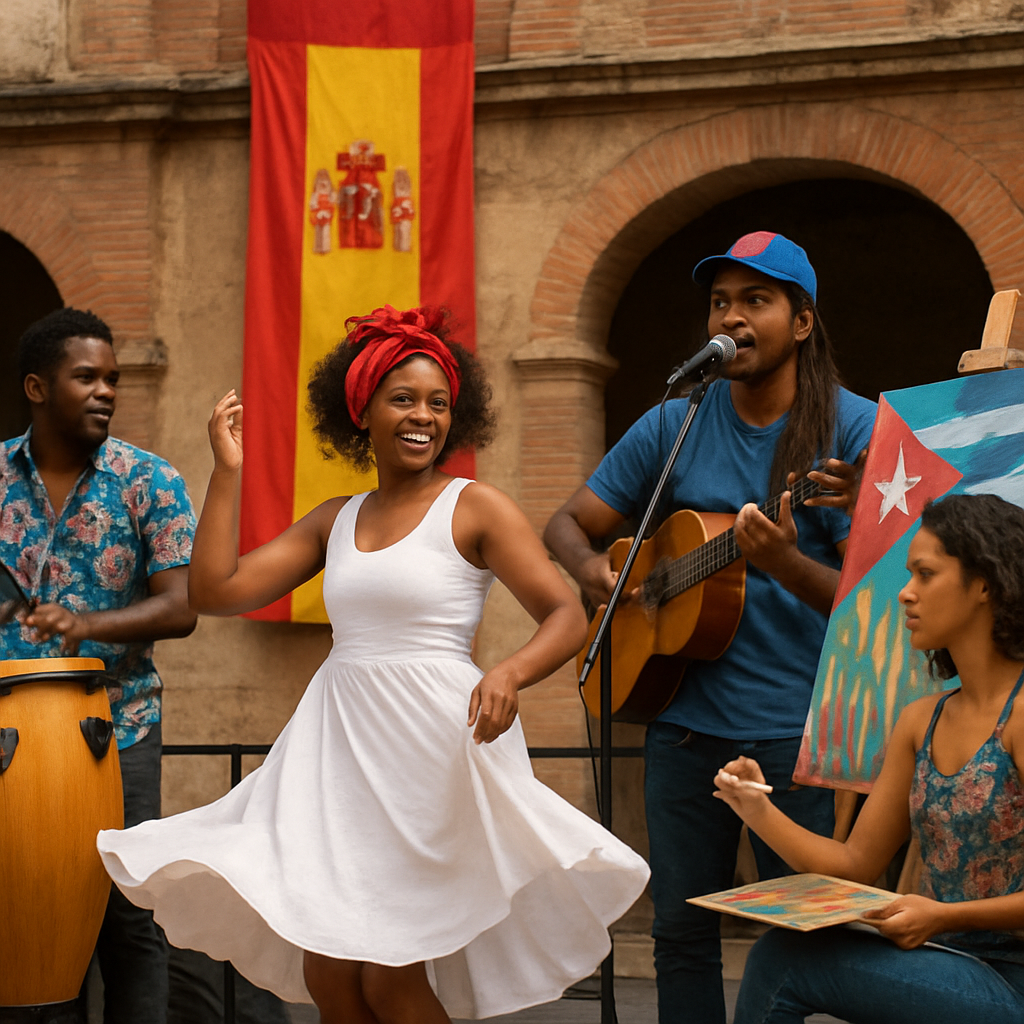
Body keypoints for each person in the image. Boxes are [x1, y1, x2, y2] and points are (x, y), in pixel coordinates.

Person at [97, 304, 650, 1023]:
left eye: (439, 403)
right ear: (362, 411)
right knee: (331, 975)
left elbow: (568, 615)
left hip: (433, 753)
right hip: (339, 755)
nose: (424, 416)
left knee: (391, 979)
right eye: (404, 399)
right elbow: (215, 591)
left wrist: (509, 673)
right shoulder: (336, 518)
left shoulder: (475, 508)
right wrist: (227, 471)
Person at [543, 231, 877, 1024]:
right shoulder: (676, 425)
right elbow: (566, 524)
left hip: (800, 739)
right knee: (680, 933)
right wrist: (606, 577)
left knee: (814, 938)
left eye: (755, 300)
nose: (732, 317)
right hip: (685, 732)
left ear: (801, 322)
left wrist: (789, 563)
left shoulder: (856, 435)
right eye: (721, 302)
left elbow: (878, 613)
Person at [717, 493, 1024, 1024]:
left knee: (781, 963)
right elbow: (855, 863)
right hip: (953, 964)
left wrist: (944, 918)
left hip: (1010, 979)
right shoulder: (920, 721)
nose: (905, 594)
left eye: (925, 575)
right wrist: (754, 807)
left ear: (985, 585)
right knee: (781, 948)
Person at [0, 307, 197, 1024]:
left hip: (117, 731)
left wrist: (85, 625)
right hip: (6, 735)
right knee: (23, 912)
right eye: (86, 377)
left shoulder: (150, 481)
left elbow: (182, 606)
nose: (106, 390)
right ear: (37, 386)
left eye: (111, 377)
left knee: (126, 919)